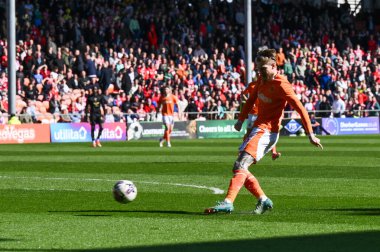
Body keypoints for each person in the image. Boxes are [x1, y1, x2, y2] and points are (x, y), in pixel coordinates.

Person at [205, 49, 323, 215]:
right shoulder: (261, 80)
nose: (260, 72)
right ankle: (263, 200)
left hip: (267, 131)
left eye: (263, 69)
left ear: (274, 66)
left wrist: (310, 134)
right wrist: (240, 120)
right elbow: (252, 99)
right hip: (258, 129)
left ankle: (228, 202)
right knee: (239, 167)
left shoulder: (282, 84)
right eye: (258, 69)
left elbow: (301, 108)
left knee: (240, 165)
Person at [241, 80, 281, 161]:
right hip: (253, 113)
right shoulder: (252, 85)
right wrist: (249, 101)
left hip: (263, 112)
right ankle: (243, 149)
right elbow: (243, 94)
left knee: (269, 132)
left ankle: (273, 153)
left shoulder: (266, 84)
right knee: (249, 132)